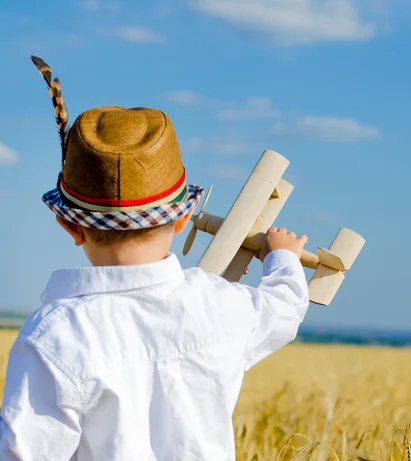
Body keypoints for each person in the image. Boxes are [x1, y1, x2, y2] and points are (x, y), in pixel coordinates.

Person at [0, 56, 310, 460]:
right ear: (183, 218)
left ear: (70, 226)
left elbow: (23, 453)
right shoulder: (220, 304)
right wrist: (282, 259)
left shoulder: (55, 336)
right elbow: (283, 309)